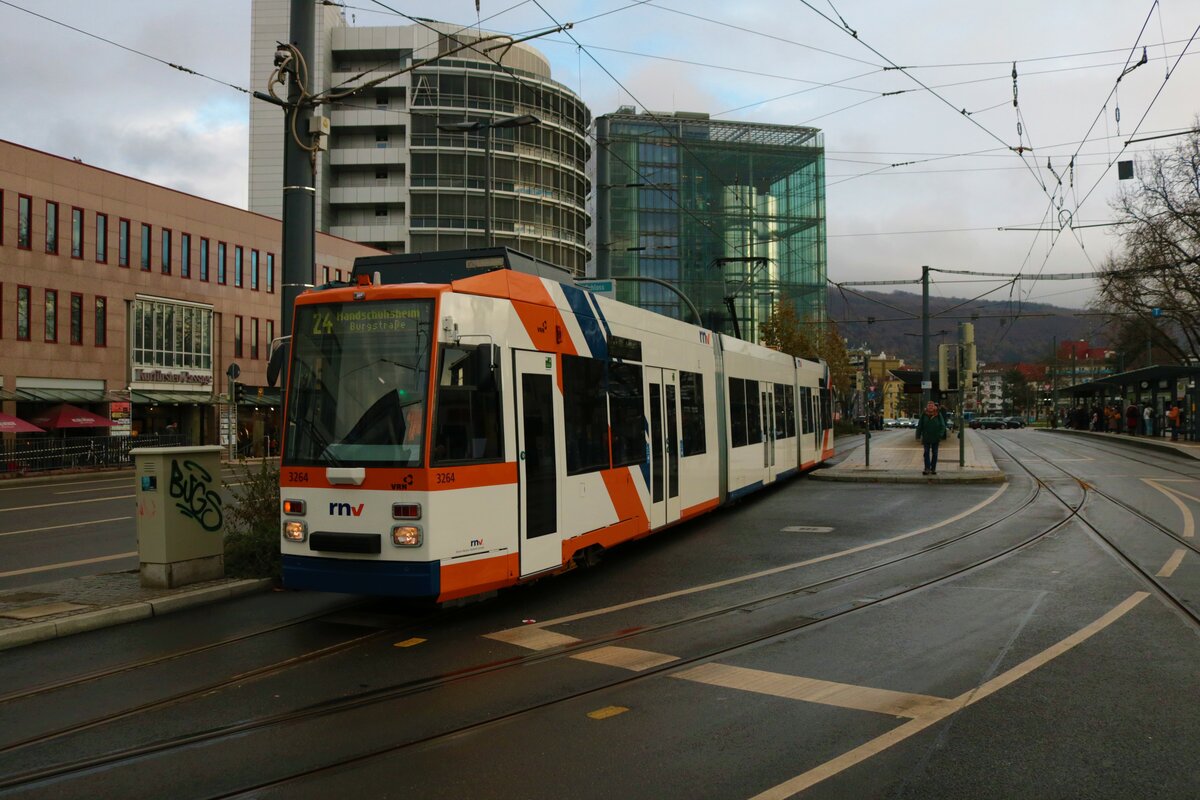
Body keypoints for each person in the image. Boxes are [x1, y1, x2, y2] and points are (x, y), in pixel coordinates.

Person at [916, 400, 948, 476]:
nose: (930, 407)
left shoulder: (938, 414)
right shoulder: (924, 414)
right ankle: (927, 468)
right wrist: (918, 435)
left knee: (935, 453)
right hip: (926, 437)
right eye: (929, 406)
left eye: (932, 406)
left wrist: (940, 435)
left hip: (935, 437)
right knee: (926, 452)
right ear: (927, 407)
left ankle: (933, 468)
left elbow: (943, 425)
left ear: (934, 407)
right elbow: (920, 425)